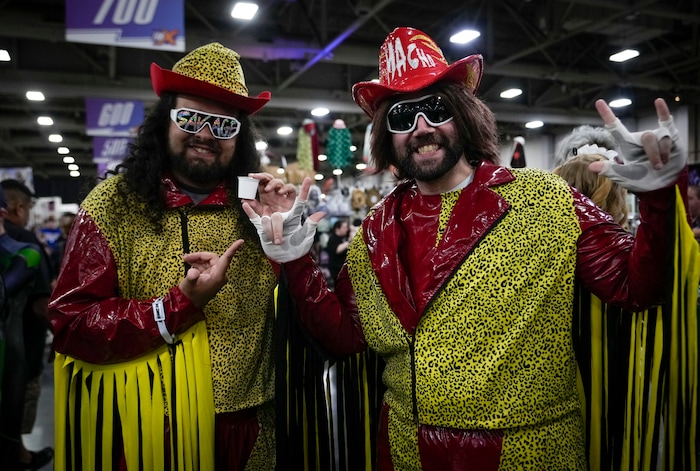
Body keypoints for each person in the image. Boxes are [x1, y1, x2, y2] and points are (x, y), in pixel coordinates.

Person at [240, 27, 689, 469]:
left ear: (463, 114)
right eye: (401, 117)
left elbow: (637, 288)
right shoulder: (374, 229)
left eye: (436, 109)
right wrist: (297, 262)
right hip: (404, 448)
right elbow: (343, 339)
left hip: (529, 450)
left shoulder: (545, 200)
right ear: (386, 136)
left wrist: (659, 202)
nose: (421, 128)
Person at [47, 42, 296, 470]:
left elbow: (306, 316)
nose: (204, 134)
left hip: (253, 429)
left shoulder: (259, 208)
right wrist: (176, 307)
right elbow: (71, 323)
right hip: (148, 429)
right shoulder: (114, 204)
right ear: (165, 121)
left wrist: (294, 243)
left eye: (222, 124)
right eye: (190, 118)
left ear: (239, 136)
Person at [1, 179, 54, 471]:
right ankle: (19, 457)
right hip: (18, 351)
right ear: (18, 208)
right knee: (13, 416)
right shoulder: (23, 244)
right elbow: (41, 305)